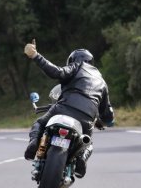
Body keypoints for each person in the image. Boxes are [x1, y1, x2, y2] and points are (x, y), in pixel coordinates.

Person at [23, 39, 114, 177]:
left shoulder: (77, 66)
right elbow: (107, 114)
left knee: (39, 123)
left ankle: (34, 143)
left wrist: (35, 56)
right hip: (87, 118)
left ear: (72, 61)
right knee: (87, 143)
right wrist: (105, 121)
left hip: (64, 108)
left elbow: (57, 72)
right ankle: (82, 158)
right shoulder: (102, 81)